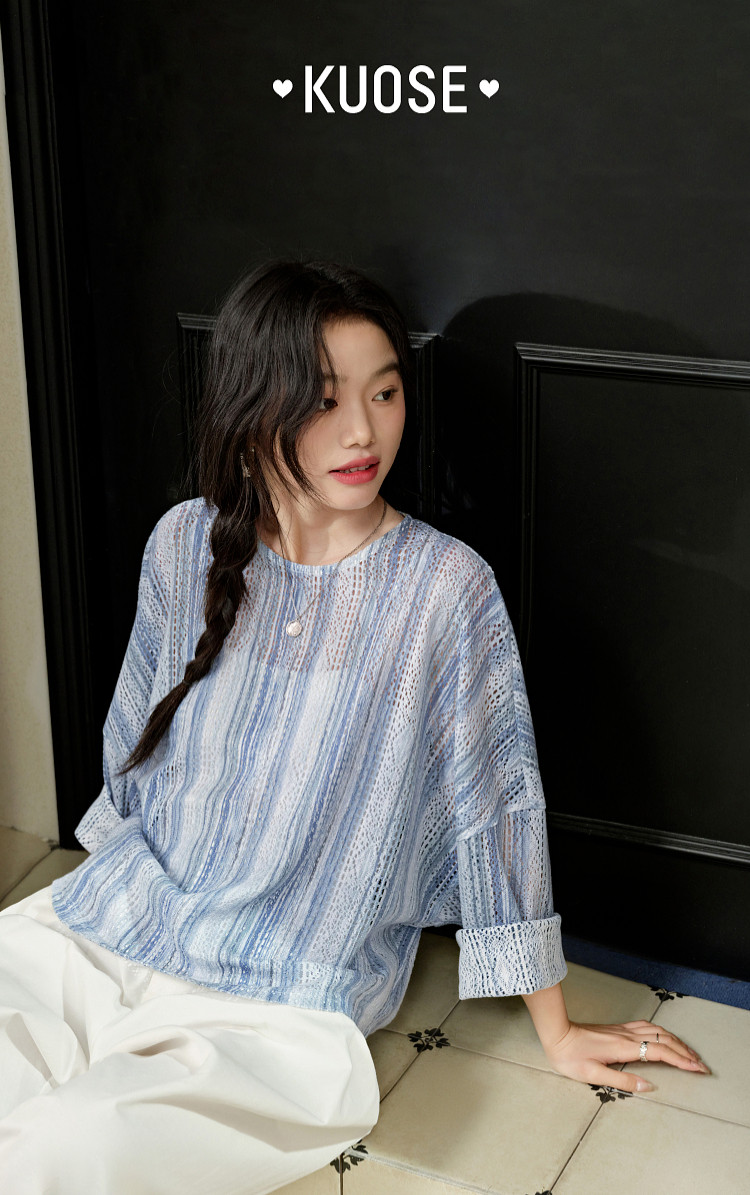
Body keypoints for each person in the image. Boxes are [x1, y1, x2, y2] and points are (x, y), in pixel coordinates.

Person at [0, 259, 709, 1194]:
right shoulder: (183, 541)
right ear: (254, 403)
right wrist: (106, 888)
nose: (365, 431)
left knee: (67, 1148)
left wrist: (558, 1027)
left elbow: (495, 808)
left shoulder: (443, 588)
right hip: (116, 922)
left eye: (384, 392)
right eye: (326, 399)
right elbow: (134, 736)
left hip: (280, 1000)